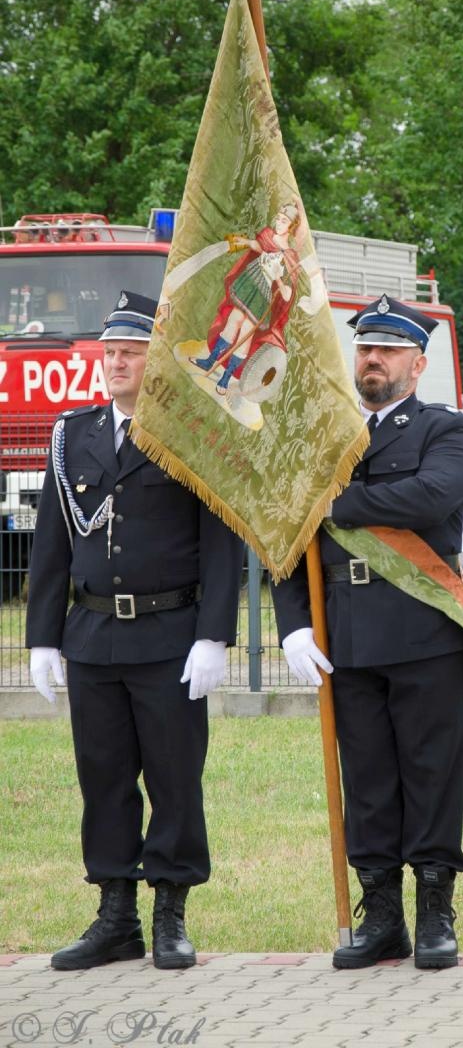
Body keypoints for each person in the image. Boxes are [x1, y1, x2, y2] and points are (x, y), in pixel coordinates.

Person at [27, 291, 244, 971]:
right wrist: (41, 637)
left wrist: (214, 635)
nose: (115, 362)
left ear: (156, 363)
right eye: (109, 352)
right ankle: (114, 915)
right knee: (104, 778)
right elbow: (52, 543)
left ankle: (170, 913)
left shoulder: (193, 433)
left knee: (174, 778)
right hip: (92, 635)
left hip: (168, 635)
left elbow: (220, 542)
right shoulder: (74, 435)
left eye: (129, 352)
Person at [270, 294, 463, 971]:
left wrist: (334, 501)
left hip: (423, 629)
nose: (373, 360)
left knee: (430, 774)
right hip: (345, 633)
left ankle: (435, 913)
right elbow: (286, 531)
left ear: (417, 365)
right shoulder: (322, 437)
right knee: (366, 779)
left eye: (387, 351)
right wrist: (293, 625)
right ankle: (381, 915)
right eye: (364, 348)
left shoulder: (445, 431)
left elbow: (427, 497)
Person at [190, 204, 303, 395]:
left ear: (291, 227)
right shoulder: (268, 234)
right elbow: (258, 247)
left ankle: (226, 378)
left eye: (284, 221)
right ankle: (210, 360)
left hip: (263, 294)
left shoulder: (291, 257)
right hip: (250, 282)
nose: (279, 222)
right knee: (233, 320)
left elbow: (287, 295)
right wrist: (242, 241)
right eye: (278, 218)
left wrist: (276, 276)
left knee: (246, 333)